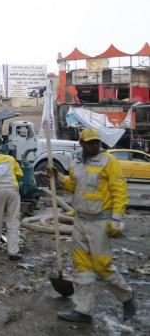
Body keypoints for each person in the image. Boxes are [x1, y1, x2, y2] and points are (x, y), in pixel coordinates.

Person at [52, 128, 136, 323]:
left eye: (96, 142)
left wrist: (116, 219)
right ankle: (83, 310)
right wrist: (58, 176)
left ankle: (127, 297)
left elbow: (120, 190)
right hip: (80, 220)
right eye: (90, 142)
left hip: (100, 221)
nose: (94, 145)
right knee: (81, 266)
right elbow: (73, 186)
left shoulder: (109, 161)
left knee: (101, 265)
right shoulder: (77, 163)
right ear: (82, 143)